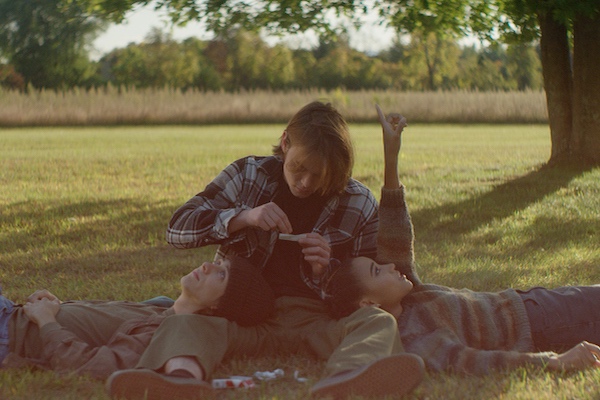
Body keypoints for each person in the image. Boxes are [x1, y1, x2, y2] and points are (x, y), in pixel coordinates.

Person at [106, 102, 424, 400]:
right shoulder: (248, 175)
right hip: (246, 317)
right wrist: (244, 217)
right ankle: (181, 380)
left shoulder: (357, 201)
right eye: (299, 167)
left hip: (317, 319)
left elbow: (367, 284)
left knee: (377, 322)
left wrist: (326, 269)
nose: (304, 182)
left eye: (319, 175)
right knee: (185, 323)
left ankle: (348, 380)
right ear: (285, 142)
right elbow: (177, 230)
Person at [324, 109, 600, 375]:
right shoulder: (412, 335)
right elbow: (472, 362)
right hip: (543, 323)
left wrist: (391, 155)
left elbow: (394, 228)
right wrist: (555, 362)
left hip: (528, 302)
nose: (388, 266)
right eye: (376, 271)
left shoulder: (410, 294)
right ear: (368, 303)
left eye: (378, 264)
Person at [0, 255, 275, 380]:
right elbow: (98, 321)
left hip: (9, 336)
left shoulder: (159, 336)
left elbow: (87, 368)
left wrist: (47, 322)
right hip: (11, 312)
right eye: (218, 262)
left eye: (221, 273)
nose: (207, 265)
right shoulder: (158, 309)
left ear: (218, 306)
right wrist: (56, 306)